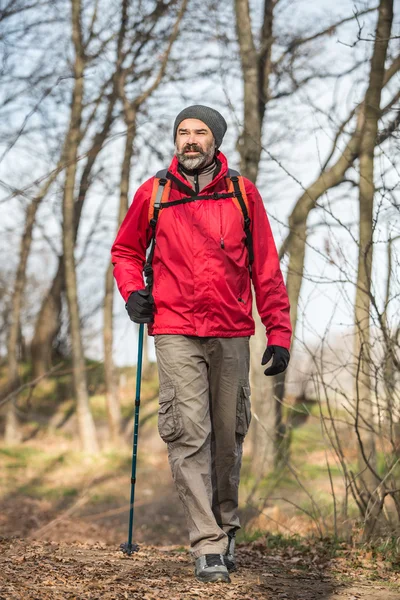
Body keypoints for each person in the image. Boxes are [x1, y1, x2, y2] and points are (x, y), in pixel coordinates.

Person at [111, 105, 292, 584]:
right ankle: (207, 543)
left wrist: (279, 332)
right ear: (176, 140)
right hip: (174, 327)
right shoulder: (155, 192)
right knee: (188, 433)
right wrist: (134, 294)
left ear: (216, 142)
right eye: (183, 132)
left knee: (227, 439)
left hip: (231, 329)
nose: (190, 140)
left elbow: (266, 268)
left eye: (200, 132)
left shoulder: (240, 192)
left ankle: (226, 525)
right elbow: (126, 251)